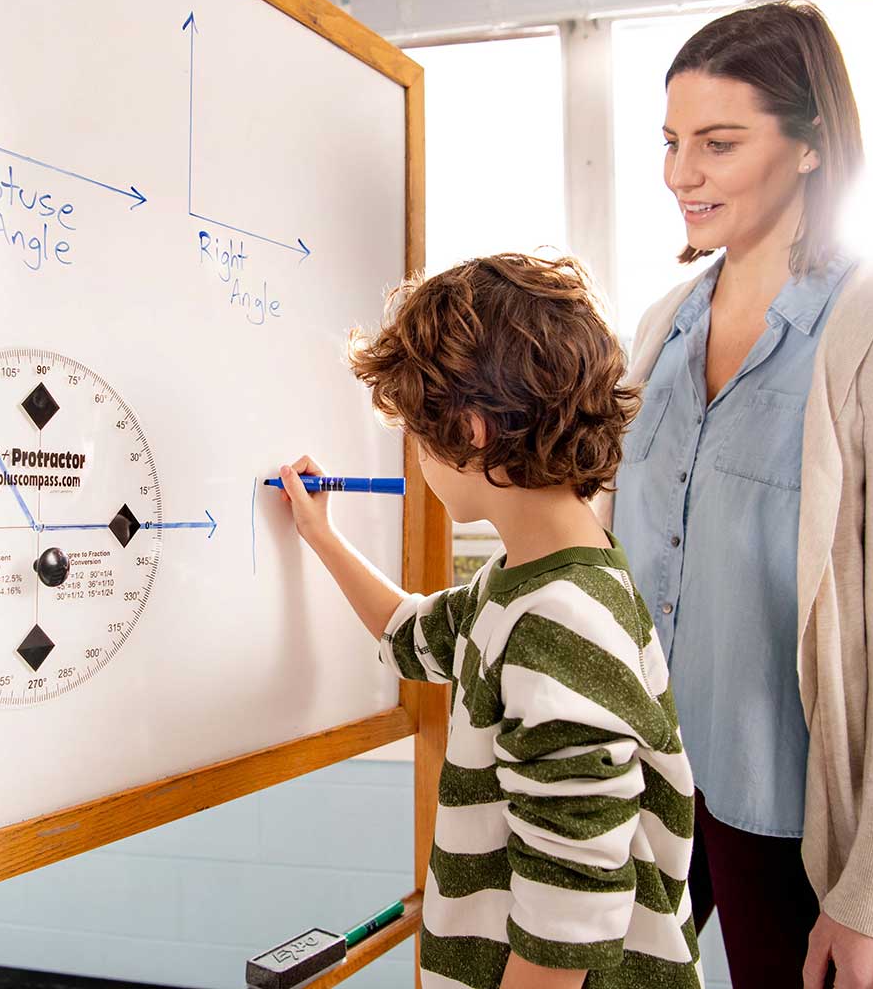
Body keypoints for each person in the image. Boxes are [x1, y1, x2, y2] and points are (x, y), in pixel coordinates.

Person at [601, 1, 873, 989]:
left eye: (719, 143)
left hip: (781, 814)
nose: (682, 172)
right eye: (672, 141)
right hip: (636, 791)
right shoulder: (662, 323)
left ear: (811, 144)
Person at [276, 252, 701, 989]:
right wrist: (321, 536)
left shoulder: (557, 623)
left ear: (469, 431)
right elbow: (415, 635)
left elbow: (570, 917)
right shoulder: (537, 581)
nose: (414, 460)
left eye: (415, 434)